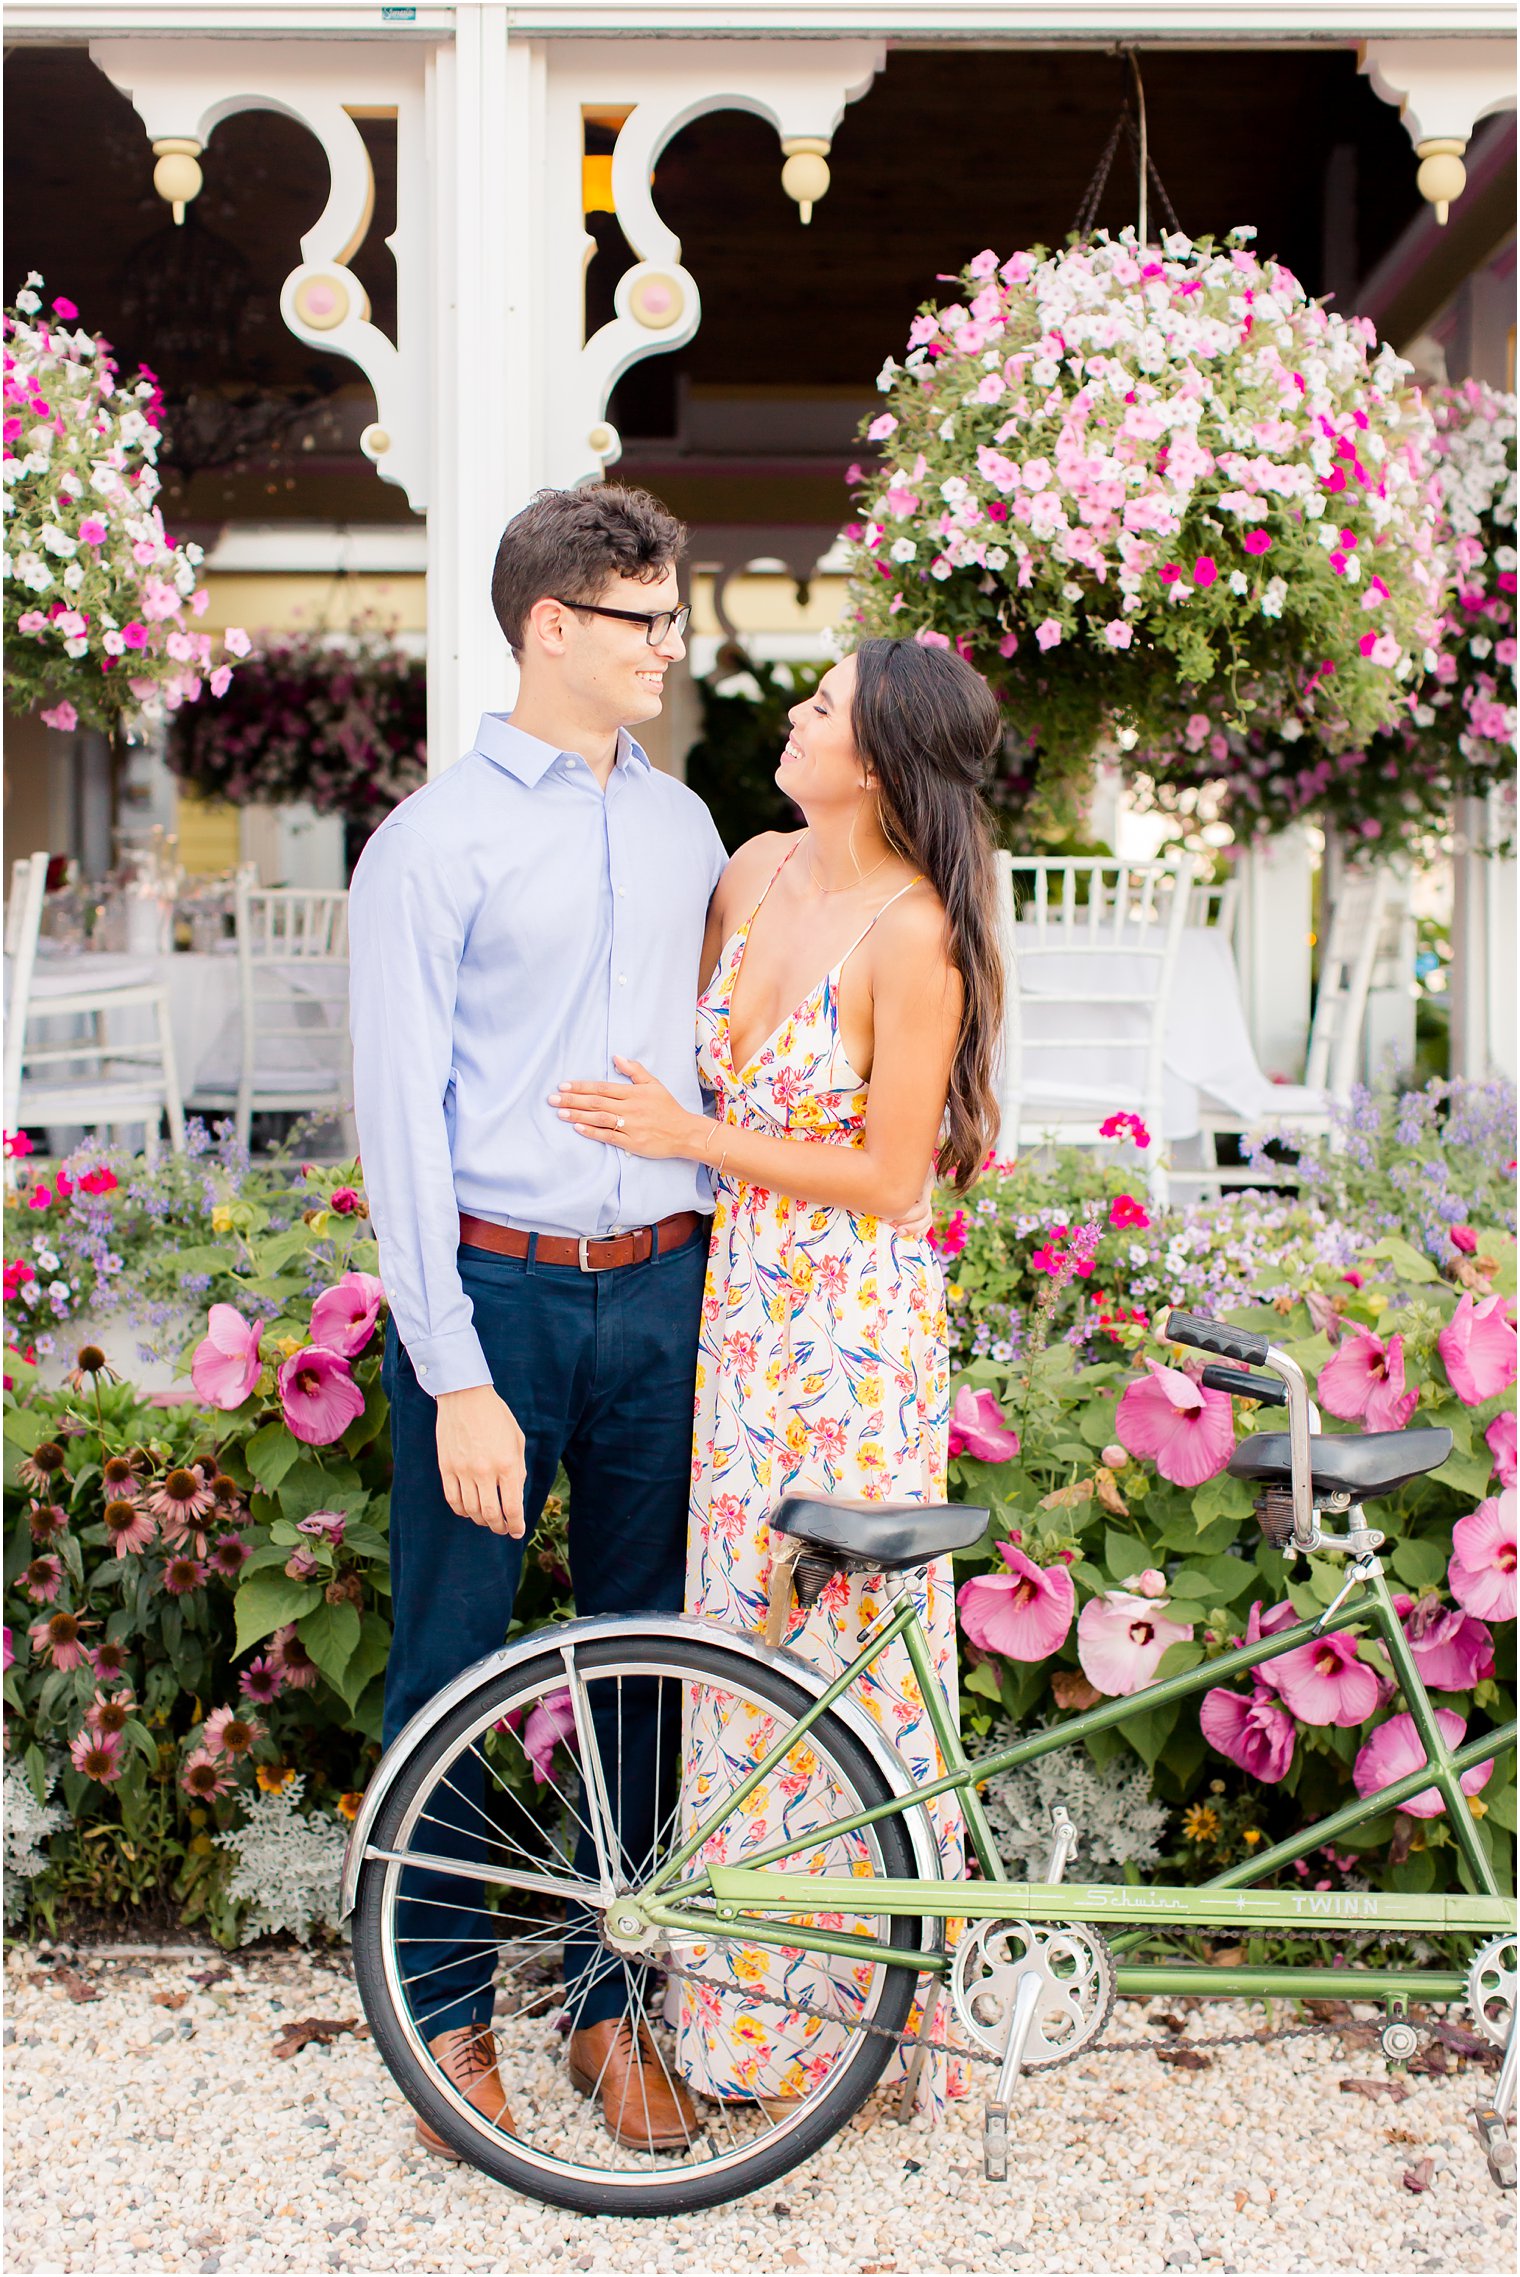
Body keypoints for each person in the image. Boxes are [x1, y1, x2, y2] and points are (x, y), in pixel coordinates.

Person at [550, 634, 1005, 2108]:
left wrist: (688, 1143)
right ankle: (747, 2026)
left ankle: (862, 2023)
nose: (791, 718)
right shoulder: (748, 870)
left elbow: (887, 1178)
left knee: (844, 1659)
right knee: (737, 1636)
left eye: (819, 708)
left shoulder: (918, 932)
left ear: (870, 760)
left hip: (853, 1331)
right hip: (741, 1313)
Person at [348, 483, 725, 2157]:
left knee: (655, 1657)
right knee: (450, 1670)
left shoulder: (690, 830)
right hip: (493, 1292)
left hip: (664, 1288)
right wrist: (454, 1374)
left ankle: (607, 2006)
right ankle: (440, 2028)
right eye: (643, 617)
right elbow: (397, 1122)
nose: (672, 643)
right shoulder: (429, 844)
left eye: (673, 613)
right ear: (550, 628)